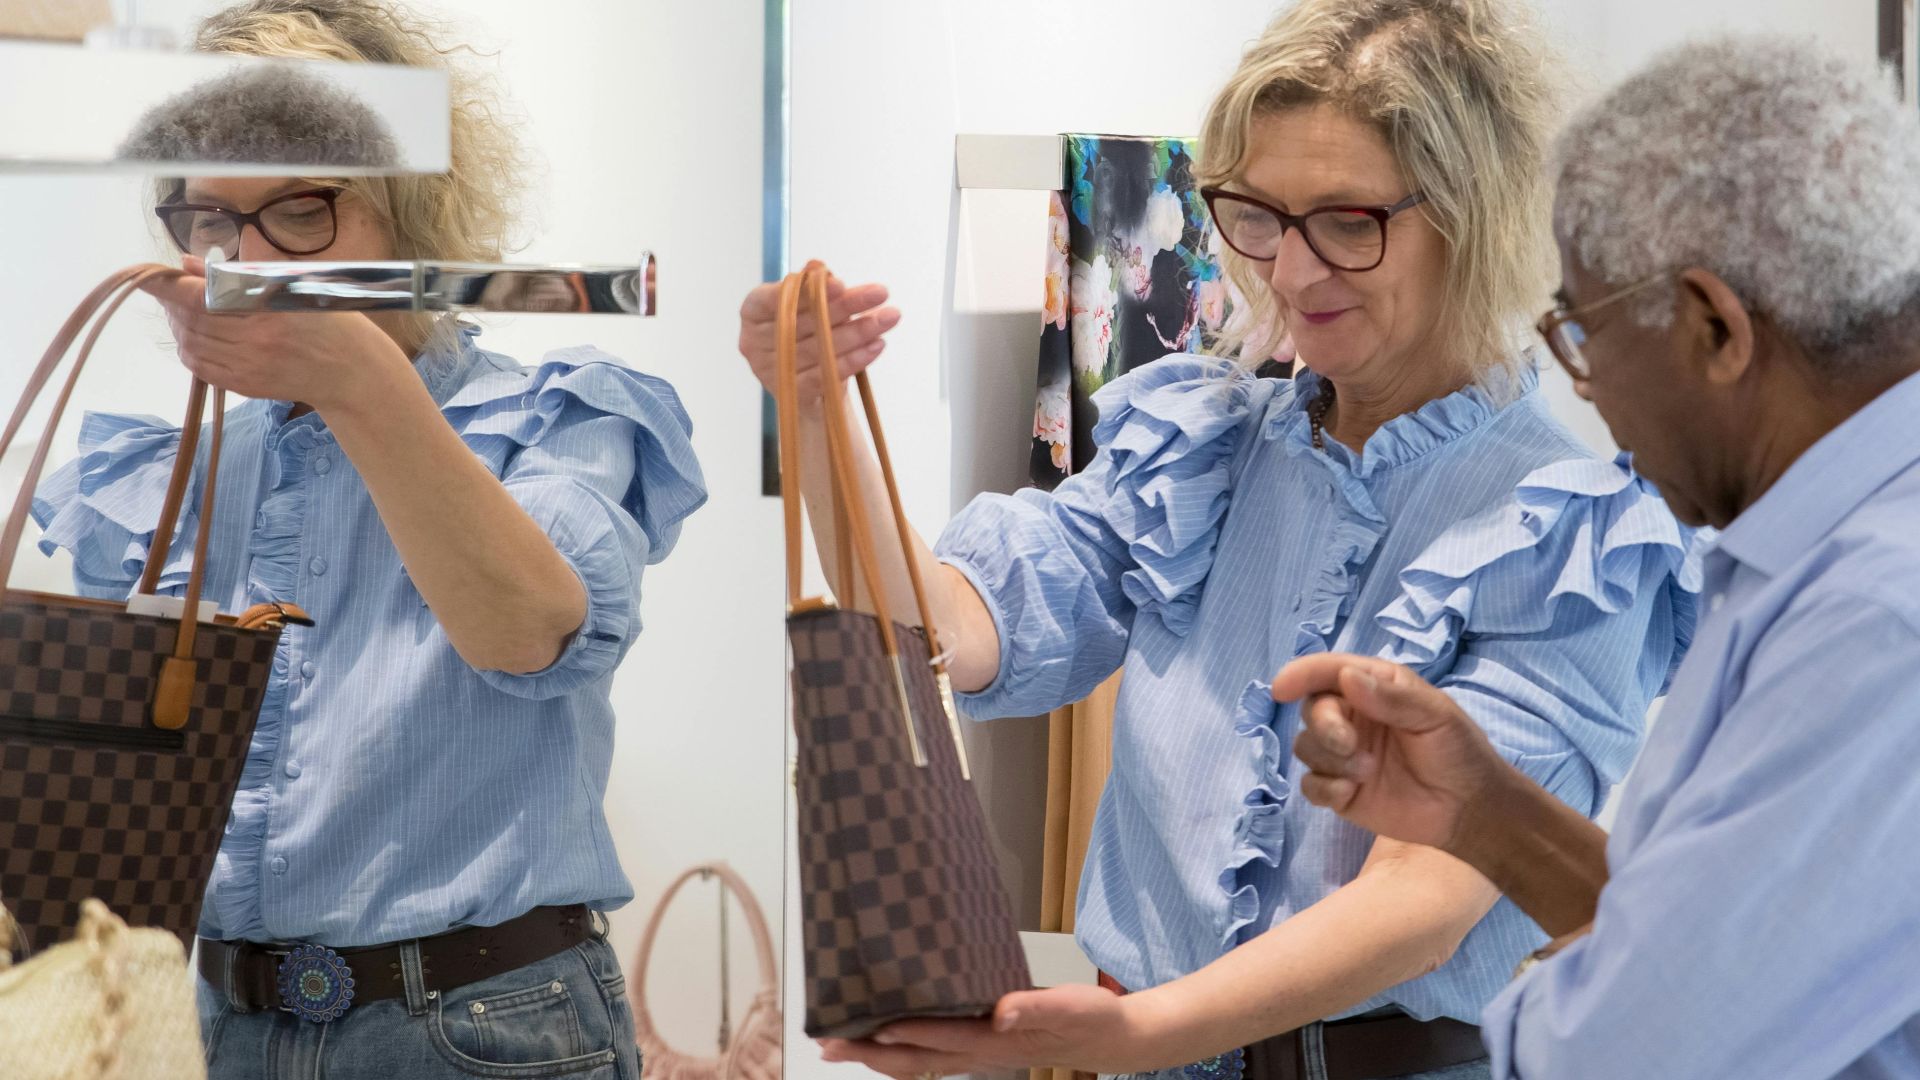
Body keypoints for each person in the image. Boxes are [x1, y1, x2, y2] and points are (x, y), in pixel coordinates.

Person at [738, 2, 1696, 1077]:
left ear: (1476, 216)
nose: (1289, 274)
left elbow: (1423, 898)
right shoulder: (1201, 443)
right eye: (1257, 215)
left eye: (1346, 221)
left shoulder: (1572, 525)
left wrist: (1146, 1028)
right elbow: (945, 628)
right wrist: (816, 409)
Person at [30, 2, 705, 1077]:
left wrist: (358, 379)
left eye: (299, 209)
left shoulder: (553, 420)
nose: (245, 260)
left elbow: (529, 632)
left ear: (409, 211)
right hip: (212, 1028)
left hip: (486, 1026)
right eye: (206, 218)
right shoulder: (169, 476)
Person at [1280, 35, 1920, 1078]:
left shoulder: (1880, 619)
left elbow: (1631, 1049)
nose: (1585, 388)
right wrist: (1487, 813)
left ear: (1714, 327)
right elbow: (1714, 952)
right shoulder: (1819, 559)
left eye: (1581, 331)